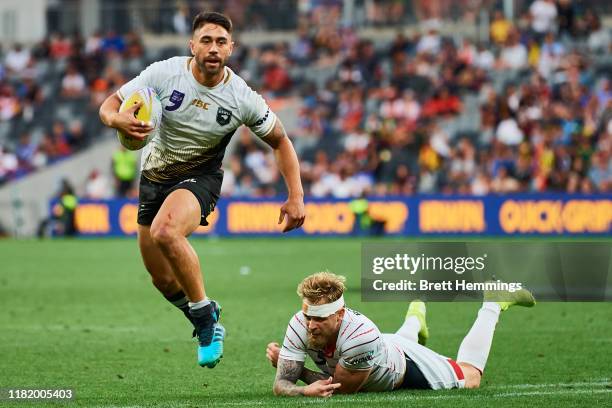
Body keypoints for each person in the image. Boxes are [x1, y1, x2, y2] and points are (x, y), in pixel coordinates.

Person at [99, 11, 305, 369]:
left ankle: (205, 317)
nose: (213, 48)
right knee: (161, 279)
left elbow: (281, 141)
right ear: (192, 45)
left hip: (200, 179)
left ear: (231, 48)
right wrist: (118, 120)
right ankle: (201, 314)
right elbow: (109, 105)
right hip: (153, 179)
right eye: (206, 40)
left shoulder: (241, 96)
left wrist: (296, 196)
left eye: (221, 42)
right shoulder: (164, 73)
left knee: (167, 231)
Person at [266, 272, 535, 397]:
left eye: (319, 320)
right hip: (382, 348)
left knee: (471, 376)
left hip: (403, 366)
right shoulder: (300, 323)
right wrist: (297, 382)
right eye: (309, 317)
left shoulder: (360, 337)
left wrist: (296, 370)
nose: (311, 326)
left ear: (339, 314)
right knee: (393, 342)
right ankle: (415, 318)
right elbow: (281, 386)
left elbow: (341, 390)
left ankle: (493, 303)